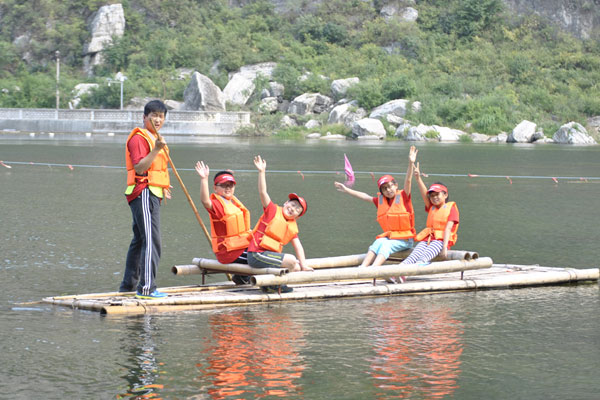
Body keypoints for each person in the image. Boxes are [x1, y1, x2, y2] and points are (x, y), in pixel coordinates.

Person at [335, 146, 418, 283]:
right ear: (382, 192)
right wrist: (347, 190)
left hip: (405, 239)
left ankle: (374, 270)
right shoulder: (380, 201)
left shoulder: (404, 196)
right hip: (392, 238)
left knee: (385, 246)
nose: (389, 190)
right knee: (378, 242)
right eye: (385, 189)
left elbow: (408, 180)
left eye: (391, 186)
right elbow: (365, 196)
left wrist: (411, 162)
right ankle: (363, 267)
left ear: (396, 185)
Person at [120, 100, 171, 299]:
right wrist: (157, 149)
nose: (158, 119)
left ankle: (128, 286)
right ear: (144, 117)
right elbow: (140, 168)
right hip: (143, 193)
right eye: (154, 115)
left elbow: (154, 170)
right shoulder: (139, 139)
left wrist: (163, 186)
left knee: (140, 240)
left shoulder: (153, 138)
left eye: (161, 116)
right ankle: (147, 288)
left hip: (152, 193)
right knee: (152, 240)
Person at [247, 155, 313, 293]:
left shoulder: (292, 226)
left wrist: (305, 265)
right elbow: (262, 192)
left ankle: (268, 284)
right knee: (291, 260)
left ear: (298, 216)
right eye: (292, 204)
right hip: (256, 254)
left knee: (296, 267)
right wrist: (261, 172)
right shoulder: (272, 210)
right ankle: (275, 285)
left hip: (267, 258)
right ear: (286, 203)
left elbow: (298, 247)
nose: (292, 209)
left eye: (297, 209)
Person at [195, 161, 252, 285]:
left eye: (230, 185)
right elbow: (205, 201)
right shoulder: (217, 204)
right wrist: (204, 179)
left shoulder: (233, 202)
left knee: (266, 246)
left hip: (240, 248)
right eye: (224, 185)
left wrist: (228, 174)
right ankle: (269, 284)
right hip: (229, 252)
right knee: (262, 258)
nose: (228, 188)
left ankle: (242, 277)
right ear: (215, 188)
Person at [401, 161, 459, 268]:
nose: (434, 197)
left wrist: (445, 247)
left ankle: (405, 275)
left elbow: (448, 229)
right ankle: (395, 273)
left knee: (423, 258)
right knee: (412, 257)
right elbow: (424, 194)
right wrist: (418, 179)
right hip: (427, 239)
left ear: (445, 195)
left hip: (440, 242)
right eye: (432, 196)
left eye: (437, 194)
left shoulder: (451, 209)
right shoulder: (432, 207)